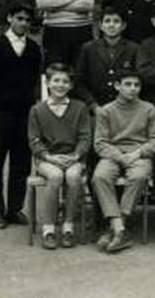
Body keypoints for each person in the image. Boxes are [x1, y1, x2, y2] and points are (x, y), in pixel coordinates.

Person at [0, 2, 42, 229]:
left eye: (27, 20)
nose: (23, 23)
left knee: (21, 162)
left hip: (24, 113)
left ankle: (14, 209)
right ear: (10, 18)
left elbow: (35, 79)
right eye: (19, 18)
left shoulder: (33, 49)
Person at [92, 69, 155, 253]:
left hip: (139, 154)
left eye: (136, 85)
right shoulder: (106, 110)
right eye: (127, 84)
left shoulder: (149, 109)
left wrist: (137, 154)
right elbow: (100, 143)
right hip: (113, 154)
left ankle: (116, 228)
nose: (132, 88)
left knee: (139, 176)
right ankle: (120, 229)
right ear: (117, 86)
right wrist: (120, 157)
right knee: (100, 176)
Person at [27, 63, 91, 249]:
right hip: (47, 158)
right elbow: (34, 140)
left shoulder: (80, 108)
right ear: (47, 83)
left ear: (71, 85)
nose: (60, 85)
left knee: (72, 176)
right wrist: (48, 157)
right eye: (56, 80)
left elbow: (85, 137)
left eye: (65, 81)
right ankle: (48, 228)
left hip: (73, 157)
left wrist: (76, 155)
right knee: (55, 176)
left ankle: (68, 226)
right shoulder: (37, 110)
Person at [74, 7, 139, 112]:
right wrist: (93, 105)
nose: (111, 25)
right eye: (107, 21)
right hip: (96, 106)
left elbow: (138, 80)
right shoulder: (88, 48)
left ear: (123, 26)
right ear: (100, 25)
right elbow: (79, 82)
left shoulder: (133, 48)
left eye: (116, 21)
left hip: (126, 107)